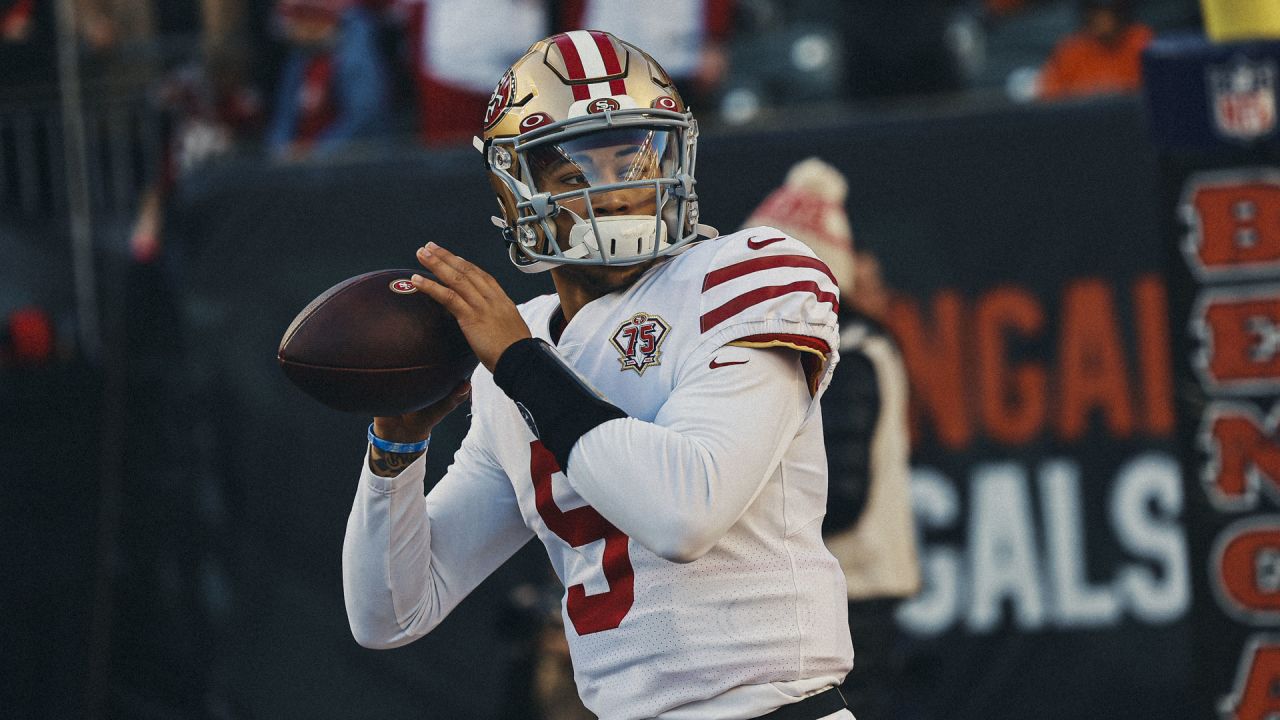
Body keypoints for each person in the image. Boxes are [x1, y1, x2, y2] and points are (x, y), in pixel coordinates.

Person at [342, 30, 854, 720]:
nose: (617, 192)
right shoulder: (513, 354)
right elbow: (391, 613)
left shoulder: (742, 274)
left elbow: (685, 513)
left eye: (635, 157)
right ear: (515, 187)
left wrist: (524, 365)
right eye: (577, 170)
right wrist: (394, 452)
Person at [745, 158, 920, 720]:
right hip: (830, 591)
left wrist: (728, 525)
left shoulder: (846, 352)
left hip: (847, 594)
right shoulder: (817, 346)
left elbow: (840, 492)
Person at [265, 0, 390, 160]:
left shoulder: (356, 60)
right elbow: (284, 116)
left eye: (306, 18)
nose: (298, 30)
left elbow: (363, 119)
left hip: (351, 166)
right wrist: (280, 150)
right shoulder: (299, 61)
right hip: (300, 167)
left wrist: (316, 152)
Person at [1036, 0, 1154, 100]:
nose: (1103, 21)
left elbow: (1157, 92)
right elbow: (1048, 100)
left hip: (1131, 120)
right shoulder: (1071, 50)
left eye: (1108, 13)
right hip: (1082, 121)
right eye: (1096, 13)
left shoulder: (1142, 42)